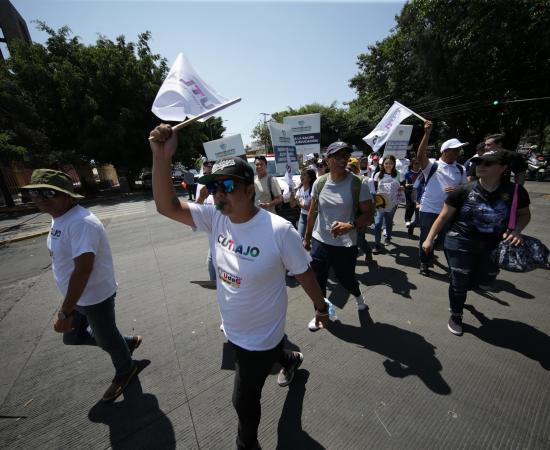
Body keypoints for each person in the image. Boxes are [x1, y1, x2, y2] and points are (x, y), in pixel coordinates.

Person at [149, 124, 329, 450]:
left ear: (249, 190)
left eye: (228, 186)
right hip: (233, 328)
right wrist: (161, 156)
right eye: (213, 187)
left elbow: (304, 273)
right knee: (273, 356)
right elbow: (166, 206)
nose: (219, 194)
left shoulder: (279, 230)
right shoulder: (215, 217)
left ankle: (247, 445)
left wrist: (321, 307)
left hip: (259, 336)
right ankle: (290, 359)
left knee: (243, 400)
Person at [21, 169, 142, 403]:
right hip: (77, 297)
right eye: (35, 192)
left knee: (106, 339)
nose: (40, 198)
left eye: (49, 192)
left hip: (94, 297)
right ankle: (126, 342)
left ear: (67, 195)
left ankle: (126, 369)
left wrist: (65, 311)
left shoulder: (80, 223)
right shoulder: (60, 217)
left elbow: (83, 269)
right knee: (73, 337)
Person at [422, 150, 531, 335]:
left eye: (488, 163)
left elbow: (524, 214)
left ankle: (465, 288)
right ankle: (456, 315)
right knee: (459, 281)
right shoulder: (463, 190)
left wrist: (517, 230)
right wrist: (428, 239)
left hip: (493, 245)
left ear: (503, 168)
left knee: (485, 283)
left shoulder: (515, 191)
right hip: (459, 241)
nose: (481, 166)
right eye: (478, 162)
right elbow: (443, 216)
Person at [303, 141, 374, 331]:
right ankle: (321, 313)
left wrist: (350, 225)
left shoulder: (358, 184)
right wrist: (307, 238)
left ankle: (358, 296)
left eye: (346, 156)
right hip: (320, 240)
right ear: (328, 160)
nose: (344, 160)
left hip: (345, 244)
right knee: (318, 280)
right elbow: (312, 212)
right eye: (339, 156)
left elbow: (368, 214)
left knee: (346, 279)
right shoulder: (320, 182)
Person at [417, 121, 468, 276]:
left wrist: (457, 190)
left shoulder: (461, 169)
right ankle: (424, 262)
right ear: (445, 151)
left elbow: (465, 188)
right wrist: (427, 134)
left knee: (443, 239)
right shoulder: (432, 165)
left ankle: (434, 249)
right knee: (426, 237)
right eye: (455, 150)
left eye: (459, 149)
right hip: (428, 209)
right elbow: (420, 156)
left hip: (448, 212)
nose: (458, 152)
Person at [372, 155, 403, 254]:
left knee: (389, 221)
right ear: (383, 164)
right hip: (380, 201)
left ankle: (388, 237)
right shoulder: (378, 175)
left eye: (391, 163)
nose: (388, 165)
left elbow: (403, 185)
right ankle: (377, 245)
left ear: (394, 164)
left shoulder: (398, 174)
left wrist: (402, 188)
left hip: (393, 202)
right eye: (386, 163)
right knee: (378, 223)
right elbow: (374, 189)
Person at [196, 161, 216, 281]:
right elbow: (195, 214)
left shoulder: (224, 190)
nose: (207, 178)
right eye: (204, 174)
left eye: (210, 174)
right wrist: (200, 198)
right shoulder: (203, 192)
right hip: (212, 245)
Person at [290, 168, 316, 238]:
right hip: (303, 216)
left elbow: (309, 208)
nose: (301, 177)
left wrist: (297, 202)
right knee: (300, 237)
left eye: (304, 175)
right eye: (301, 174)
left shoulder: (312, 190)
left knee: (311, 238)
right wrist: (292, 195)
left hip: (312, 217)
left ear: (310, 178)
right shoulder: (299, 189)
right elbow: (292, 205)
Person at [403, 157, 421, 233]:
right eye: (416, 164)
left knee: (418, 210)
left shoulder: (422, 173)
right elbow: (406, 184)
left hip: (419, 194)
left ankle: (414, 223)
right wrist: (414, 185)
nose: (418, 165)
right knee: (409, 208)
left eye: (419, 164)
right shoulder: (408, 173)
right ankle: (408, 220)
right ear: (412, 164)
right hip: (409, 193)